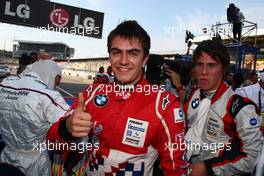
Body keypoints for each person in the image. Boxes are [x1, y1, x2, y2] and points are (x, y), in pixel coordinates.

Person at [47, 20, 188, 175]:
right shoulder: (92, 93)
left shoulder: (164, 104)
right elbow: (52, 142)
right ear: (110, 56)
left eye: (133, 53)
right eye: (116, 52)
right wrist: (66, 128)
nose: (123, 61)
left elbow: (176, 168)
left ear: (145, 58)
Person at [184, 40, 263, 176]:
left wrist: (209, 168)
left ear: (224, 69)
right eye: (199, 64)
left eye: (211, 66)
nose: (203, 72)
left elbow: (253, 156)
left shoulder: (239, 106)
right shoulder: (192, 95)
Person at [0, 60, 70, 176]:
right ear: (51, 75)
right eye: (56, 82)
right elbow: (70, 121)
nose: (56, 86)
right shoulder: (46, 94)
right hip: (34, 163)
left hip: (6, 155)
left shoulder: (5, 84)